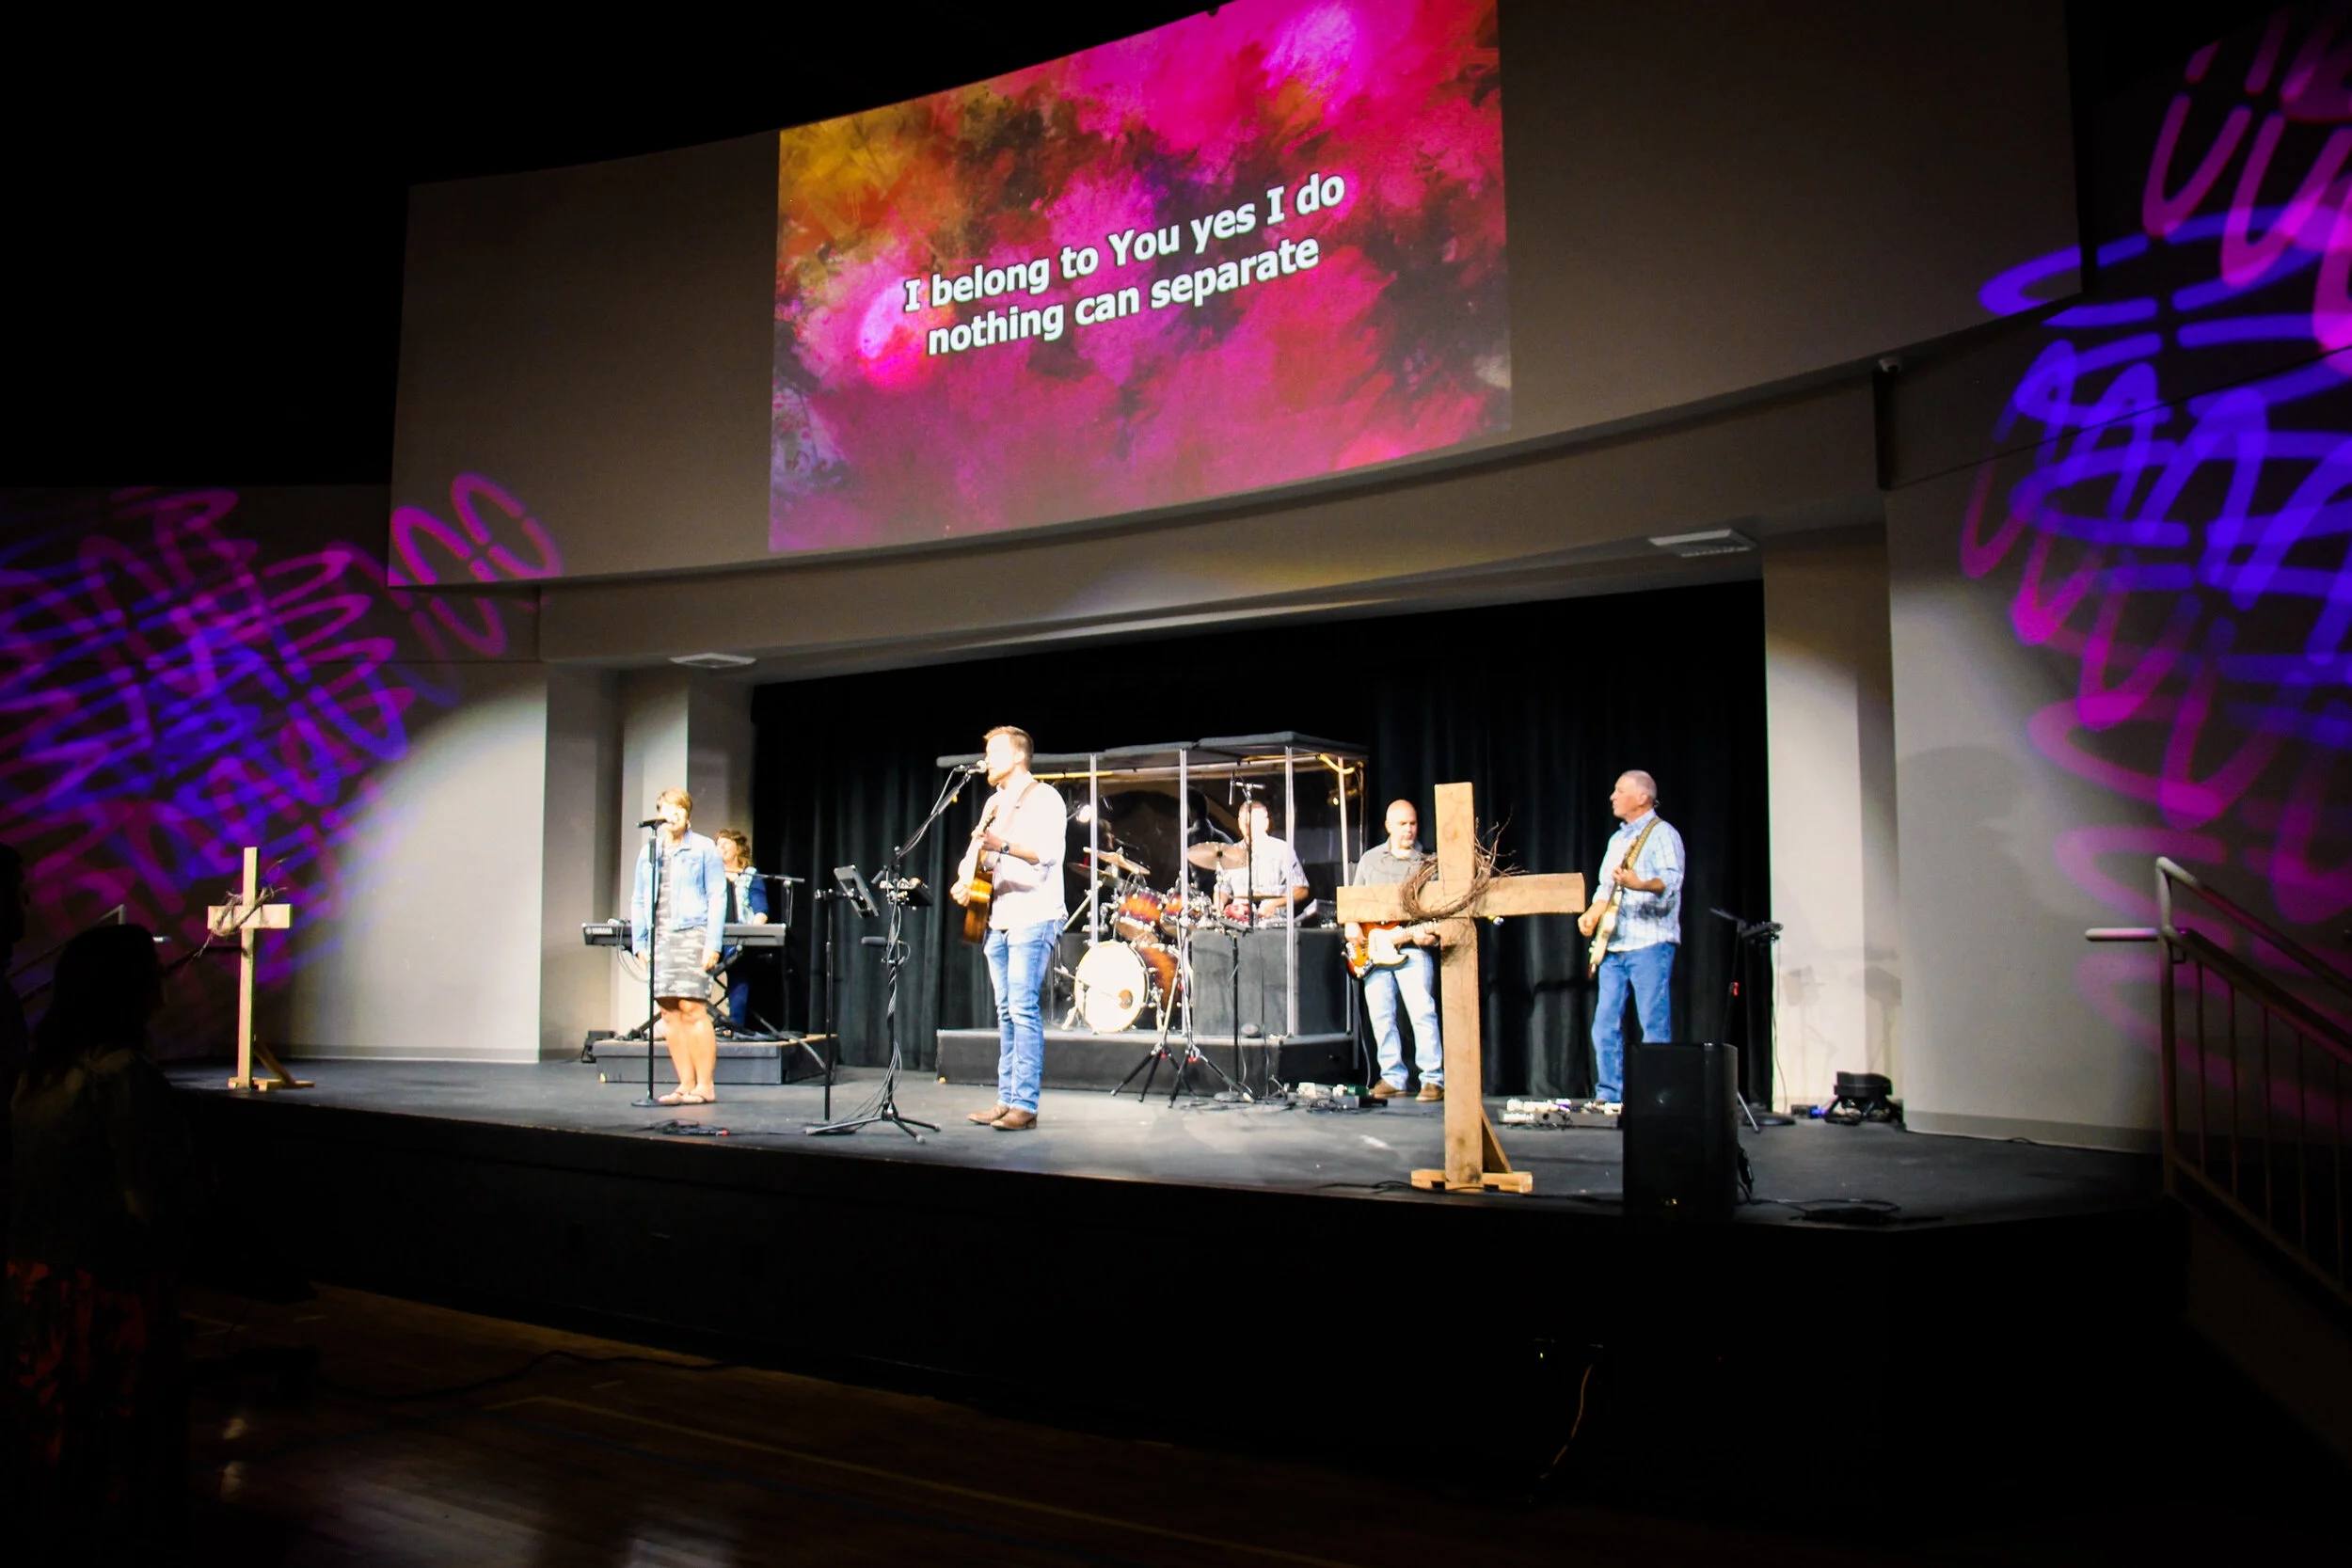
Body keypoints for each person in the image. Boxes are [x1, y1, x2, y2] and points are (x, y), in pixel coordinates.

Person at [6, 923, 188, 1560]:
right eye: (153, 975)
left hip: (36, 1285)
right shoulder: (121, 1076)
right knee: (112, 1450)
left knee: (48, 1445)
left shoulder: (37, 1074)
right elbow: (149, 1202)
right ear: (131, 989)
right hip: (104, 1295)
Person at [949, 726, 1066, 1132]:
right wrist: (966, 880)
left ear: (1019, 756)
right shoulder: (994, 802)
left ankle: (1025, 1104)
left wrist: (1000, 844)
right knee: (1005, 1011)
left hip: (1033, 915)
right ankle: (1006, 1100)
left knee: (1021, 1007)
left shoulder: (1043, 797)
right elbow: (977, 853)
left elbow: (1048, 854)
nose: (987, 759)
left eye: (995, 752)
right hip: (996, 917)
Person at [1577, 770, 1685, 1110]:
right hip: (1615, 946)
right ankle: (1610, 1094)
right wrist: (1592, 913)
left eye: (1619, 790)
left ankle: (1656, 1097)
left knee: (1653, 1024)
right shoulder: (1617, 840)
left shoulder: (1663, 834)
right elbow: (1605, 888)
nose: (1612, 796)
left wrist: (1641, 884)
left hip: (1650, 943)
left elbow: (1671, 882)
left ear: (1642, 797)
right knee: (1604, 1024)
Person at [629, 788, 729, 1106]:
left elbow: (718, 896)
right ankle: (685, 1084)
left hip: (692, 933)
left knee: (692, 1007)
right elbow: (639, 898)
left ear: (687, 814)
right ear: (659, 813)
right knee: (669, 1010)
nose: (672, 814)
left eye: (679, 809)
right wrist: (639, 942)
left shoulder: (703, 848)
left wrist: (713, 943)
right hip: (660, 936)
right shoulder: (650, 851)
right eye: (667, 808)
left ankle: (705, 1085)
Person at [1346, 800, 1444, 1102]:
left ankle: (1432, 1079)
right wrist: (1351, 925)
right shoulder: (1370, 859)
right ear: (1388, 826)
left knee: (1422, 1013)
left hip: (1411, 948)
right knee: (1381, 1017)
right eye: (1402, 824)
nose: (1409, 830)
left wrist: (1431, 934)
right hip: (1374, 950)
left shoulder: (1428, 863)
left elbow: (1438, 912)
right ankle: (1392, 1076)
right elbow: (1353, 901)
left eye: (1413, 823)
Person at [1214, 799, 1311, 924]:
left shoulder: (1282, 850)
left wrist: (1275, 903)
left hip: (1275, 923)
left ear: (1266, 823)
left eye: (1254, 822)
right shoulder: (1230, 854)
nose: (1249, 826)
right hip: (1239, 924)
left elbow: (1301, 890)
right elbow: (1222, 889)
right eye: (1245, 822)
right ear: (1239, 823)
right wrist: (1219, 905)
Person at [713, 829, 769, 1037]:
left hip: (737, 938)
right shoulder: (710, 876)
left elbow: (760, 910)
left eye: (726, 843)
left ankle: (735, 1025)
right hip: (712, 936)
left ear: (738, 848)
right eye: (718, 845)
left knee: (738, 963)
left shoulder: (751, 875)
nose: (721, 848)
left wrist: (752, 933)